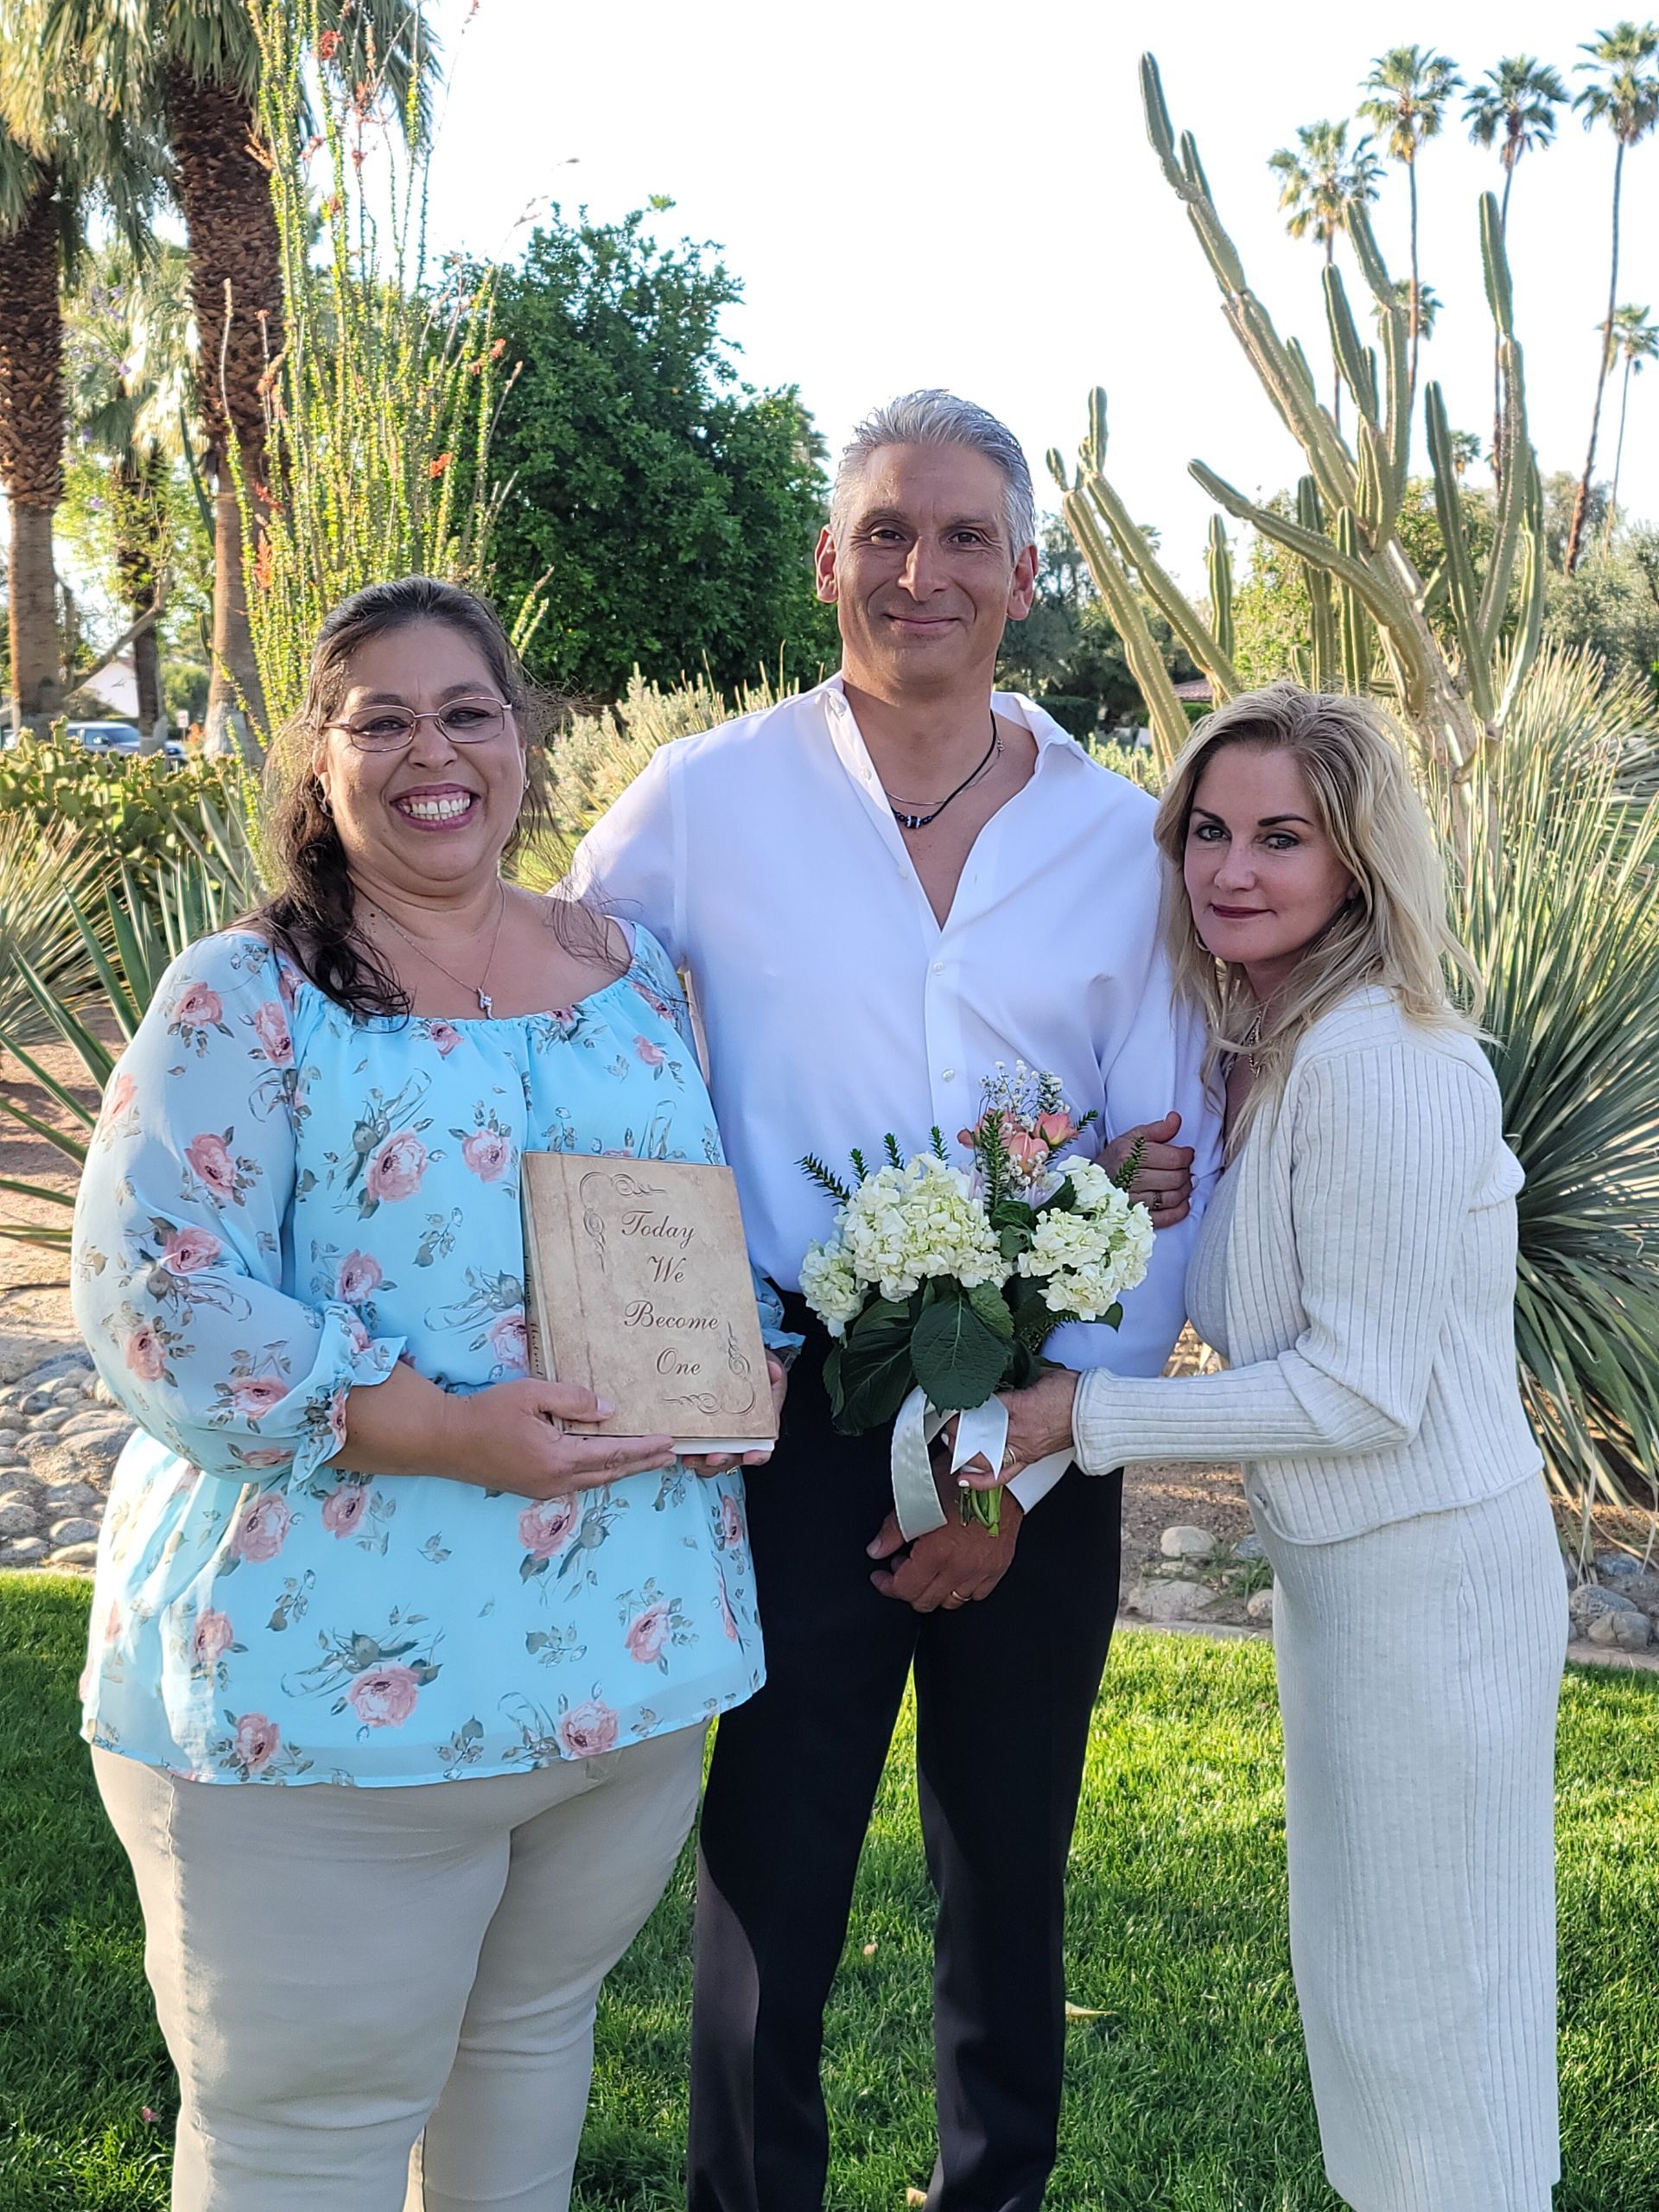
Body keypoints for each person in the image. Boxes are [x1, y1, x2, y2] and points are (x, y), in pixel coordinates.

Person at [71, 575, 791, 2212]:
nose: (432, 753)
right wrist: (438, 1428)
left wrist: (735, 1350)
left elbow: (687, 1217)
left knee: (525, 2062)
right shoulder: (247, 995)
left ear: (522, 735)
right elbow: (153, 1298)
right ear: (318, 760)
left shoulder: (631, 972)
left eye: (466, 712)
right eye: (380, 721)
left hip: (620, 1675)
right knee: (304, 2137)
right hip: (324, 1700)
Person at [573, 390, 1219, 2212]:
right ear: (826, 560)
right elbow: (569, 1011)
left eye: (961, 537)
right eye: (882, 531)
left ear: (1025, 573)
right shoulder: (701, 802)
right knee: (770, 1869)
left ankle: (991, 2190)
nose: (918, 569)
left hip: (1044, 1421)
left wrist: (1026, 1454)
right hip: (791, 1420)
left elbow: (1167, 1153)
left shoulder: (1118, 838)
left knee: (1008, 1869)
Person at [959, 683, 1567, 2212]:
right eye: (1208, 832)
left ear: (1357, 859)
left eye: (1281, 837)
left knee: (1439, 2007)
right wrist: (1129, 1185)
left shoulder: (1382, 1057)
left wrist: (1077, 1417)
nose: (1232, 870)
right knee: (1374, 2000)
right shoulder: (1268, 1043)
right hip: (1358, 1579)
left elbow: (1364, 1393)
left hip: (1433, 1587)